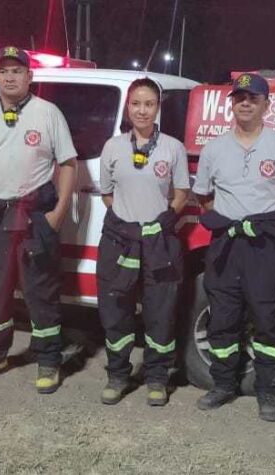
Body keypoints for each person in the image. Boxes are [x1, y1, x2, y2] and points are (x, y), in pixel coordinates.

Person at [0, 46, 77, 394]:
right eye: (4, 71)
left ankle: (49, 362)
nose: (10, 77)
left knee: (41, 292)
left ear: (30, 77)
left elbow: (68, 165)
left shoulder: (47, 113)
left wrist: (57, 215)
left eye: (17, 71)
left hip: (34, 218)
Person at [192, 73, 275, 422]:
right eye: (239, 97)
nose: (245, 102)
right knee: (222, 319)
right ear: (231, 104)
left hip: (264, 249)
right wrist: (229, 219)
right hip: (226, 246)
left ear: (265, 105)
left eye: (253, 97)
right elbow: (202, 196)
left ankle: (268, 393)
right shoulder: (214, 149)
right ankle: (223, 386)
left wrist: (270, 226)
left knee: (269, 320)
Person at [96, 78, 190, 406]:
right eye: (136, 103)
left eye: (149, 104)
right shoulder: (113, 147)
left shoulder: (173, 148)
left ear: (158, 108)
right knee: (116, 309)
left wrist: (166, 217)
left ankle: (156, 378)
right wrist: (127, 223)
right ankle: (118, 375)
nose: (142, 110)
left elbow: (181, 193)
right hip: (120, 242)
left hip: (159, 244)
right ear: (128, 107)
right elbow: (107, 192)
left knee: (160, 312)